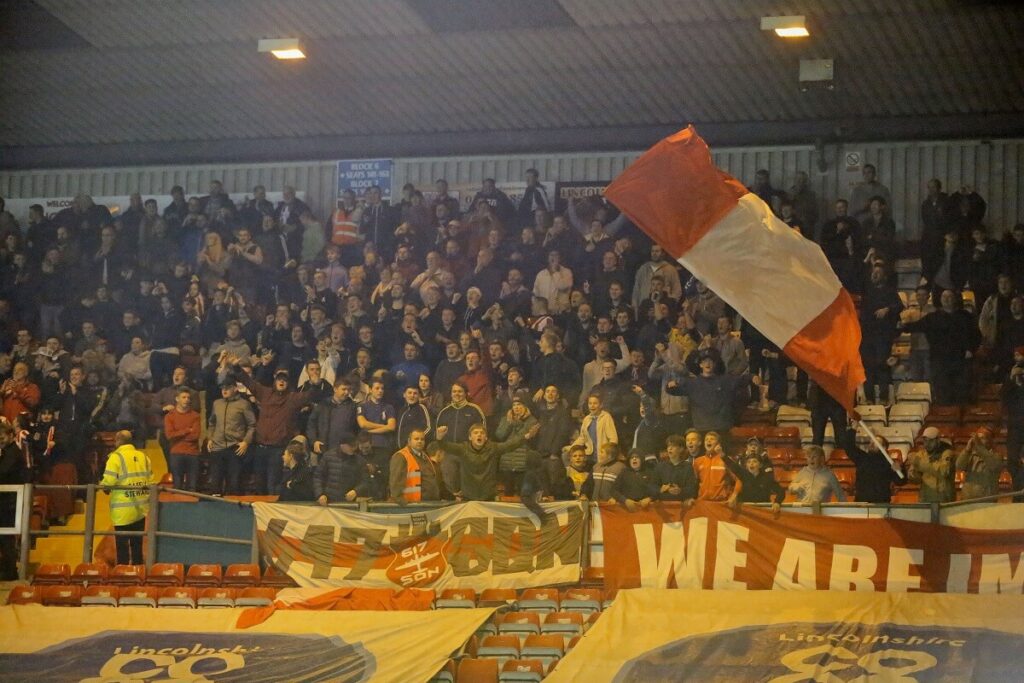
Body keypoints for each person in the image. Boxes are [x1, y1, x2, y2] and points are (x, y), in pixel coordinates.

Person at [433, 422, 535, 501]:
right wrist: (439, 437)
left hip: (488, 497)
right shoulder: (463, 449)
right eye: (476, 433)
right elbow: (446, 446)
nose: (479, 435)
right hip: (468, 497)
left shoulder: (493, 448)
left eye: (482, 433)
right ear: (470, 437)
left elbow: (510, 445)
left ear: (486, 437)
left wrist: (526, 436)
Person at [98, 430, 153, 565]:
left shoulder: (115, 457)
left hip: (122, 509)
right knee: (137, 546)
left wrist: (103, 486)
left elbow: (109, 482)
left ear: (117, 441)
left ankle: (123, 575)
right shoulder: (143, 457)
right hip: (141, 508)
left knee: (122, 547)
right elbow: (151, 481)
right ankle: (137, 573)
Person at [206, 380, 256, 495]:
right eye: (222, 388)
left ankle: (233, 510)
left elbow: (252, 425)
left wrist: (246, 442)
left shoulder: (244, 404)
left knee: (234, 484)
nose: (224, 390)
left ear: (235, 388)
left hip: (235, 448)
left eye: (227, 387)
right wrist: (210, 438)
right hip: (217, 448)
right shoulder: (216, 403)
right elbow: (212, 422)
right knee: (215, 483)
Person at [838, 426, 904, 503]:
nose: (872, 443)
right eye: (871, 442)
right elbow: (848, 446)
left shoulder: (889, 463)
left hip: (881, 505)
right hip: (861, 504)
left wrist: (900, 470)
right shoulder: (862, 458)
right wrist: (854, 427)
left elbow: (900, 482)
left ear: (884, 447)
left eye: (876, 442)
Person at [0, 421, 28, 579]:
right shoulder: (6, 452)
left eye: (2, 437)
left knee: (6, 538)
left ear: (11, 436)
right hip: (5, 502)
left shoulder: (13, 453)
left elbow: (3, 472)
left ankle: (10, 571)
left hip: (9, 503)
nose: (0, 440)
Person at [390, 429, 444, 504]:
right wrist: (401, 501)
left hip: (431, 503)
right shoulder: (401, 456)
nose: (419, 441)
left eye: (422, 439)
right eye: (416, 439)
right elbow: (395, 481)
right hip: (413, 505)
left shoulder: (425, 456)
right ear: (409, 441)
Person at [163, 388, 201, 491]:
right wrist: (187, 430)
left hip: (192, 453)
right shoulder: (169, 416)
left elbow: (195, 436)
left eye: (188, 397)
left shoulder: (196, 416)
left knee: (192, 486)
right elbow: (169, 435)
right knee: (177, 485)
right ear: (177, 399)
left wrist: (178, 434)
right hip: (176, 453)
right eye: (184, 397)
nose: (187, 400)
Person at [906, 427, 956, 503]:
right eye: (925, 441)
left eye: (931, 441)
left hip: (944, 500)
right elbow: (916, 480)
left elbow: (943, 471)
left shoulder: (947, 453)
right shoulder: (921, 454)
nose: (927, 444)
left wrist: (919, 464)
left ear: (938, 440)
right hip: (925, 499)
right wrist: (912, 474)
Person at [314, 439, 370, 505]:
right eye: (351, 446)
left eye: (355, 445)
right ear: (342, 445)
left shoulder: (360, 461)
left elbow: (366, 481)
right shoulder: (328, 456)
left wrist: (356, 491)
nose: (354, 448)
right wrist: (320, 494)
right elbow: (318, 477)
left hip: (349, 503)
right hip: (328, 502)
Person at [955, 426, 1002, 500]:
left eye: (982, 438)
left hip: (986, 499)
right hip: (968, 498)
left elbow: (994, 466)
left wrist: (980, 447)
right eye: (978, 438)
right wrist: (967, 450)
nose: (978, 441)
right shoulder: (970, 455)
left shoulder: (996, 456)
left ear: (990, 441)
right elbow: (959, 466)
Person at [655, 435, 699, 504]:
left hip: (680, 506)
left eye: (673, 446)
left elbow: (692, 489)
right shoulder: (660, 466)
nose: (670, 448)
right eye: (668, 446)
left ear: (681, 449)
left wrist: (680, 490)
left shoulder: (688, 467)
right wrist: (660, 489)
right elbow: (651, 486)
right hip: (663, 506)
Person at [694, 431, 733, 502]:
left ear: (718, 444)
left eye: (712, 439)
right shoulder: (698, 461)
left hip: (721, 501)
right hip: (702, 501)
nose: (708, 440)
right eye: (706, 439)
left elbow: (736, 480)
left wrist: (732, 497)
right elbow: (693, 483)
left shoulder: (726, 460)